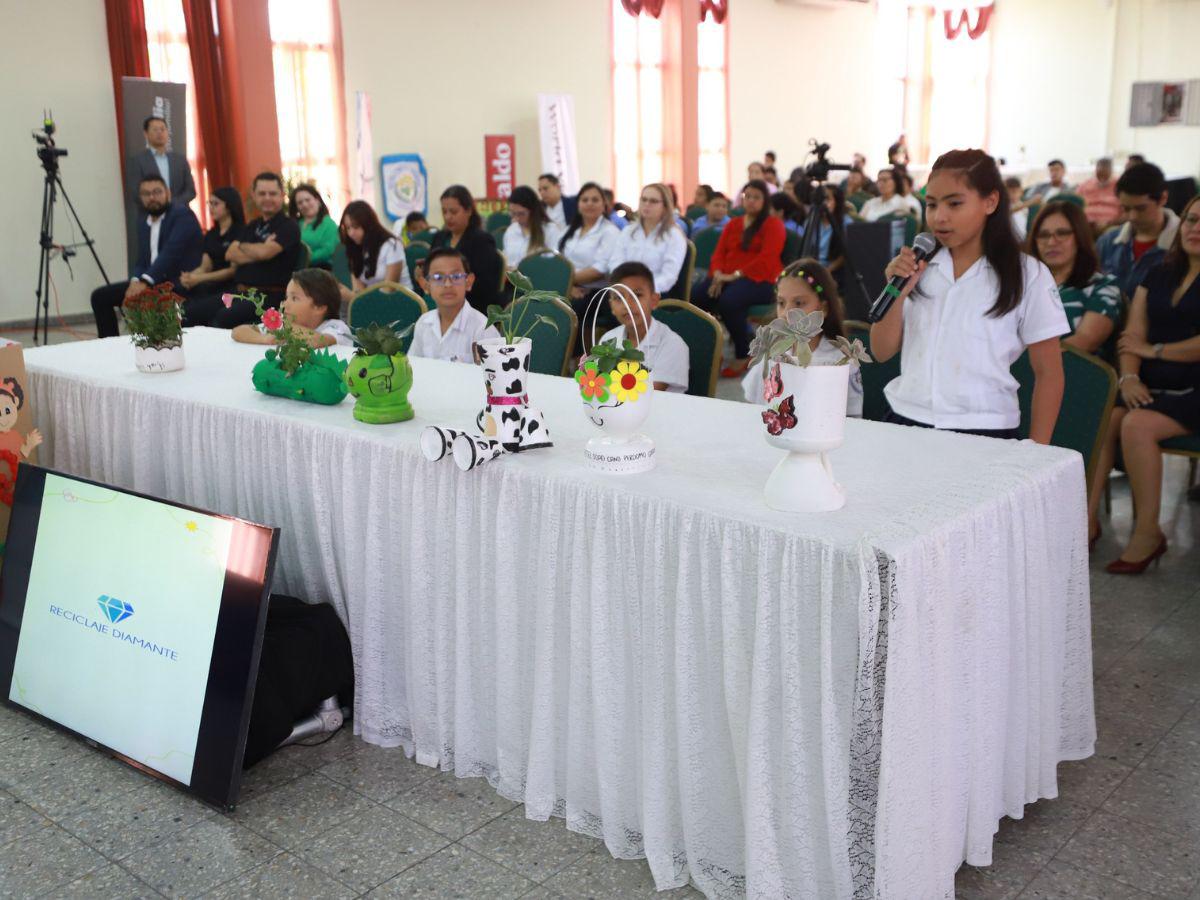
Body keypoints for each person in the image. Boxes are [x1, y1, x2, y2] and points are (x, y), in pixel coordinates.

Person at [869, 149, 1068, 442]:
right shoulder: (917, 267)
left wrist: (1037, 451)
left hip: (984, 426)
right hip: (907, 417)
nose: (940, 217)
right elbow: (881, 351)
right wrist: (898, 293)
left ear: (990, 202)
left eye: (954, 204)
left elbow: (1049, 372)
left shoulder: (1027, 274)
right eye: (932, 204)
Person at [1088, 195, 1200, 571]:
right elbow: (1132, 334)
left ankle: (1148, 532)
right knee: (1108, 418)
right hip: (1152, 383)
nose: (1195, 229)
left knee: (1135, 423)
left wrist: (1153, 351)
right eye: (1190, 220)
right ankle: (1086, 521)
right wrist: (1130, 376)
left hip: (1195, 390)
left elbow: (1150, 343)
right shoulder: (1159, 271)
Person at [742, 258, 864, 416]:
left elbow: (852, 417)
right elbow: (752, 407)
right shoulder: (770, 352)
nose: (787, 313)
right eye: (781, 303)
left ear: (824, 308)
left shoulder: (841, 359)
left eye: (799, 303)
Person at [691, 179, 786, 376]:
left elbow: (767, 258)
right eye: (747, 197)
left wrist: (733, 276)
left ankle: (743, 354)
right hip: (726, 277)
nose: (750, 201)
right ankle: (713, 350)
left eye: (756, 197)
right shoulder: (734, 224)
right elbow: (718, 254)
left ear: (765, 200)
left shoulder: (773, 225)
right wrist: (717, 273)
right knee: (697, 297)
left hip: (762, 280)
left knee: (729, 301)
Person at [90, 174, 203, 338]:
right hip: (152, 282)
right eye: (146, 194)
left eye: (157, 192)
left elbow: (170, 253)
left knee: (148, 301)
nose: (152, 198)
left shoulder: (182, 215)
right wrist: (136, 281)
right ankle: (109, 345)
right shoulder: (143, 220)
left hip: (179, 284)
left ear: (168, 193)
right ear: (140, 197)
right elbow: (142, 259)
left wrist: (144, 281)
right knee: (100, 297)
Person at [1027, 201, 1122, 356]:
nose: (1051, 242)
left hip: (1071, 374)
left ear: (1079, 237)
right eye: (1043, 235)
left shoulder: (1102, 287)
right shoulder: (1022, 287)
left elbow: (1086, 340)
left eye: (1062, 233)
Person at [218, 172, 302, 326]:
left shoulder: (288, 226)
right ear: (254, 196)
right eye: (262, 193)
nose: (267, 198)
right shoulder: (252, 226)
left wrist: (248, 248)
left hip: (269, 296)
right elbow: (230, 254)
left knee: (222, 318)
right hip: (240, 292)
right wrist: (260, 249)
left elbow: (264, 252)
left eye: (272, 193)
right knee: (194, 310)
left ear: (282, 195)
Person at [597, 261, 690, 392]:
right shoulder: (608, 339)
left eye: (637, 295)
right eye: (618, 298)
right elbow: (599, 384)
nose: (627, 304)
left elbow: (647, 394)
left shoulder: (672, 345)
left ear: (654, 300)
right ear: (611, 306)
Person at [1097, 162, 1181, 298]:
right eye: (1126, 208)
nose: (1132, 216)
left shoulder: (1183, 244)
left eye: (1141, 208)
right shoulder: (1108, 242)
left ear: (1163, 198)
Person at [408, 248, 499, 362]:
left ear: (469, 282)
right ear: (426, 286)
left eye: (456, 277)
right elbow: (414, 366)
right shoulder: (423, 323)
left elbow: (494, 377)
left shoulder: (483, 330)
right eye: (438, 278)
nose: (447, 284)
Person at [232, 268, 353, 348]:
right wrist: (265, 339)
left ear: (319, 307)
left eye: (294, 298)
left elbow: (320, 340)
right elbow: (238, 331)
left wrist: (286, 327)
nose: (285, 304)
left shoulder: (336, 327)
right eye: (286, 297)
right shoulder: (284, 325)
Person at [427, 185, 502, 314]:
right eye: (444, 212)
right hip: (440, 303)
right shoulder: (440, 237)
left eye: (453, 212)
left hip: (472, 307)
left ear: (468, 211)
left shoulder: (482, 240)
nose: (448, 217)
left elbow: (487, 286)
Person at [605, 183, 688, 297]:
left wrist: (641, 290)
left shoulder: (674, 236)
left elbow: (668, 276)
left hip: (656, 293)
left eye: (653, 201)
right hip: (624, 289)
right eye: (643, 200)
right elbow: (615, 262)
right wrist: (624, 285)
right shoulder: (628, 230)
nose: (646, 204)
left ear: (665, 206)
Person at [179, 186, 244, 324]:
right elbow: (205, 266)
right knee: (177, 297)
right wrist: (190, 276)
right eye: (210, 203)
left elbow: (232, 271)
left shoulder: (240, 231)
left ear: (229, 206)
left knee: (190, 312)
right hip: (209, 284)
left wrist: (199, 278)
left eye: (216, 204)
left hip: (229, 287)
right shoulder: (211, 234)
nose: (211, 208)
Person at [559, 182, 620, 301]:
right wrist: (568, 287)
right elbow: (557, 260)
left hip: (595, 293)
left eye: (595, 200)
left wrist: (566, 282)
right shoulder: (569, 230)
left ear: (604, 205)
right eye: (585, 200)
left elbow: (600, 270)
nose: (589, 203)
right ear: (578, 205)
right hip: (568, 287)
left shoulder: (610, 232)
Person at [340, 199, 413, 298]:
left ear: (368, 225)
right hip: (373, 304)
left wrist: (350, 297)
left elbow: (389, 290)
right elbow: (359, 292)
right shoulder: (355, 249)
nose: (351, 233)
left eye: (355, 227)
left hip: (401, 301)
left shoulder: (391, 245)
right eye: (348, 228)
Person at [125, 115, 196, 208]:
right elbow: (135, 192)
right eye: (155, 130)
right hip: (150, 213)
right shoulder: (137, 161)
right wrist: (157, 203)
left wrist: (172, 203)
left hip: (178, 212)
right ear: (146, 134)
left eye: (162, 129)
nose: (159, 133)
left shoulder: (180, 160)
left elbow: (190, 191)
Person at [503, 185, 564, 268]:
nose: (516, 219)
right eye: (513, 213)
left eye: (521, 214)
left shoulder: (550, 230)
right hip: (513, 279)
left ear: (533, 211)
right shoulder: (511, 230)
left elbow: (555, 263)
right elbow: (507, 260)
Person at [798, 184, 851, 275]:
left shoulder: (846, 222)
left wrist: (827, 270)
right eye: (821, 200)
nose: (824, 203)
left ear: (837, 202)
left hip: (834, 271)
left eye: (828, 199)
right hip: (812, 267)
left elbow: (846, 254)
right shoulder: (810, 221)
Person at [291, 184, 338, 267]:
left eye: (307, 200)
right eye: (300, 202)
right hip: (296, 270)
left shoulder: (329, 224)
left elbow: (328, 250)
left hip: (321, 272)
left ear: (317, 200)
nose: (304, 205)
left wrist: (303, 259)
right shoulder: (295, 224)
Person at [1076, 158, 1122, 232]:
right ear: (1095, 170)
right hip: (1085, 224)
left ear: (1111, 171)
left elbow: (1126, 212)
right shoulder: (1085, 185)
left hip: (1111, 225)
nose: (1102, 178)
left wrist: (1110, 223)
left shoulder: (1120, 186)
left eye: (1105, 174)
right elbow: (1075, 204)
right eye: (1099, 174)